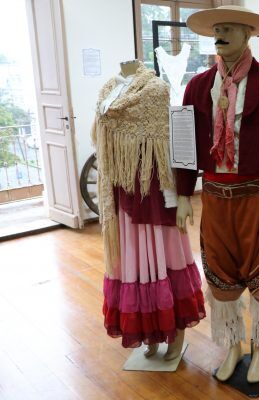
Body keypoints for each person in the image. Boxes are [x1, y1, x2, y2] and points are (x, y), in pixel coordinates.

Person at [175, 6, 259, 383]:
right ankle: (233, 346)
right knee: (221, 280)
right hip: (214, 201)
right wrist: (182, 194)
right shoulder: (197, 86)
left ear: (248, 34)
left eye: (229, 28)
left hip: (258, 200)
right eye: (217, 28)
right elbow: (186, 145)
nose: (220, 33)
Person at [92, 60, 205, 359]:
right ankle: (147, 331)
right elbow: (100, 139)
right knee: (135, 261)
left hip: (153, 188)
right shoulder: (108, 90)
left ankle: (175, 331)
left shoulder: (156, 90)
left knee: (164, 256)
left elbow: (168, 143)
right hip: (121, 189)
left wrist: (182, 196)